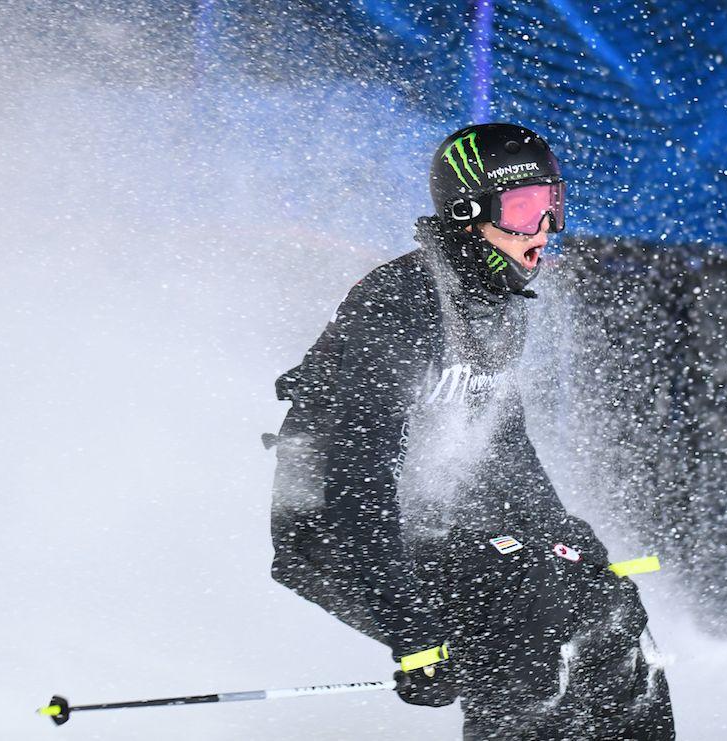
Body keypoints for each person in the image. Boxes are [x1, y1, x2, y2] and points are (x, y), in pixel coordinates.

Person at [267, 123, 675, 740]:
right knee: (528, 623)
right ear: (467, 214)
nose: (542, 231)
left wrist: (561, 532)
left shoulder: (493, 305)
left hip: (430, 524)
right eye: (522, 210)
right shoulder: (400, 304)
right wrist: (411, 627)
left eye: (551, 206)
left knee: (609, 607)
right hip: (337, 531)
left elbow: (501, 444)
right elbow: (350, 478)